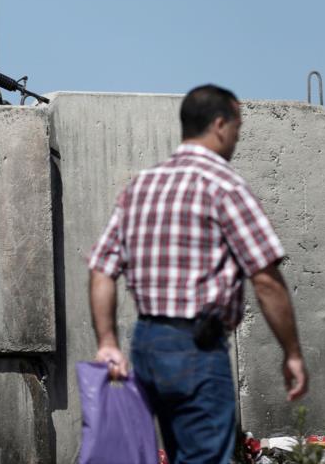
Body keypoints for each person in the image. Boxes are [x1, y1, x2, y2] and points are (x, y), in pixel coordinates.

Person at [87, 84, 308, 464]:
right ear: (220, 124)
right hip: (197, 347)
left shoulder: (142, 185)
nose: (237, 137)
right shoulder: (224, 185)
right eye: (237, 127)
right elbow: (266, 278)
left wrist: (107, 341)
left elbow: (102, 269)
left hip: (146, 345)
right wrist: (292, 353)